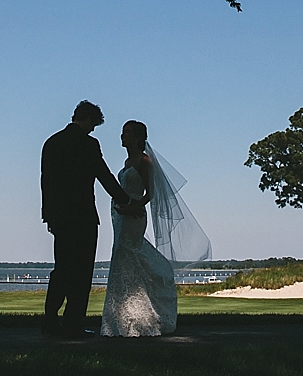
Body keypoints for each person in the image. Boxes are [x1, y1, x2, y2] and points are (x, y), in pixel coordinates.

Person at [101, 120, 211, 337]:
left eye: (126, 133)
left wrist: (134, 206)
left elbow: (151, 194)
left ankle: (143, 312)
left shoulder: (144, 161)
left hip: (134, 216)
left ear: (137, 137)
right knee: (122, 258)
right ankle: (123, 316)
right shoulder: (127, 161)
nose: (122, 137)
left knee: (129, 253)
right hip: (120, 215)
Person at [40, 100, 137, 337]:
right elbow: (104, 176)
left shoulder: (51, 143)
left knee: (61, 268)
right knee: (82, 271)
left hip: (60, 216)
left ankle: (50, 318)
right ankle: (72, 322)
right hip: (83, 215)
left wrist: (48, 215)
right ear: (88, 119)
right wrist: (126, 201)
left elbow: (46, 183)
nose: (94, 129)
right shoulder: (89, 144)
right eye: (94, 124)